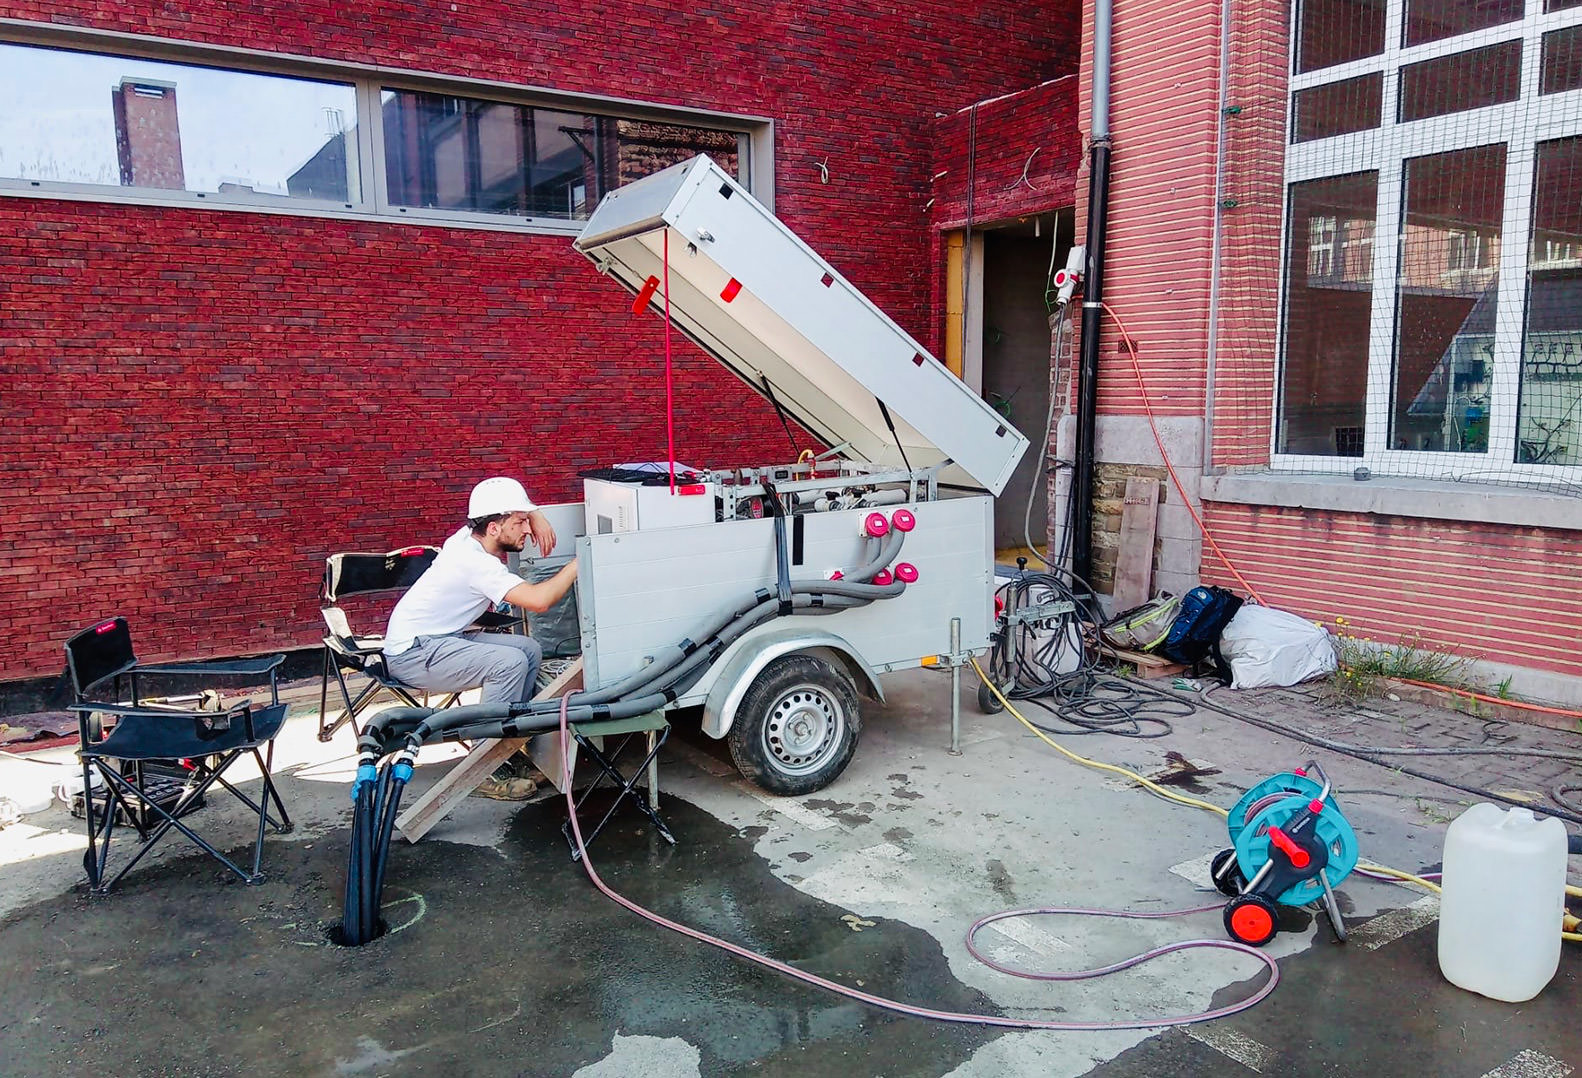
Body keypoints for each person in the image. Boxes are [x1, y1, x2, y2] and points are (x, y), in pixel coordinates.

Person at [383, 476, 578, 710]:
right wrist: (579, 561)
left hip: (438, 639)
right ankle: (487, 742)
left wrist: (535, 514)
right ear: (494, 528)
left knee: (529, 648)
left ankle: (517, 724)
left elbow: (488, 504)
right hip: (413, 655)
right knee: (509, 663)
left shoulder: (466, 537)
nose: (527, 529)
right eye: (520, 522)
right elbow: (539, 601)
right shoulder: (476, 563)